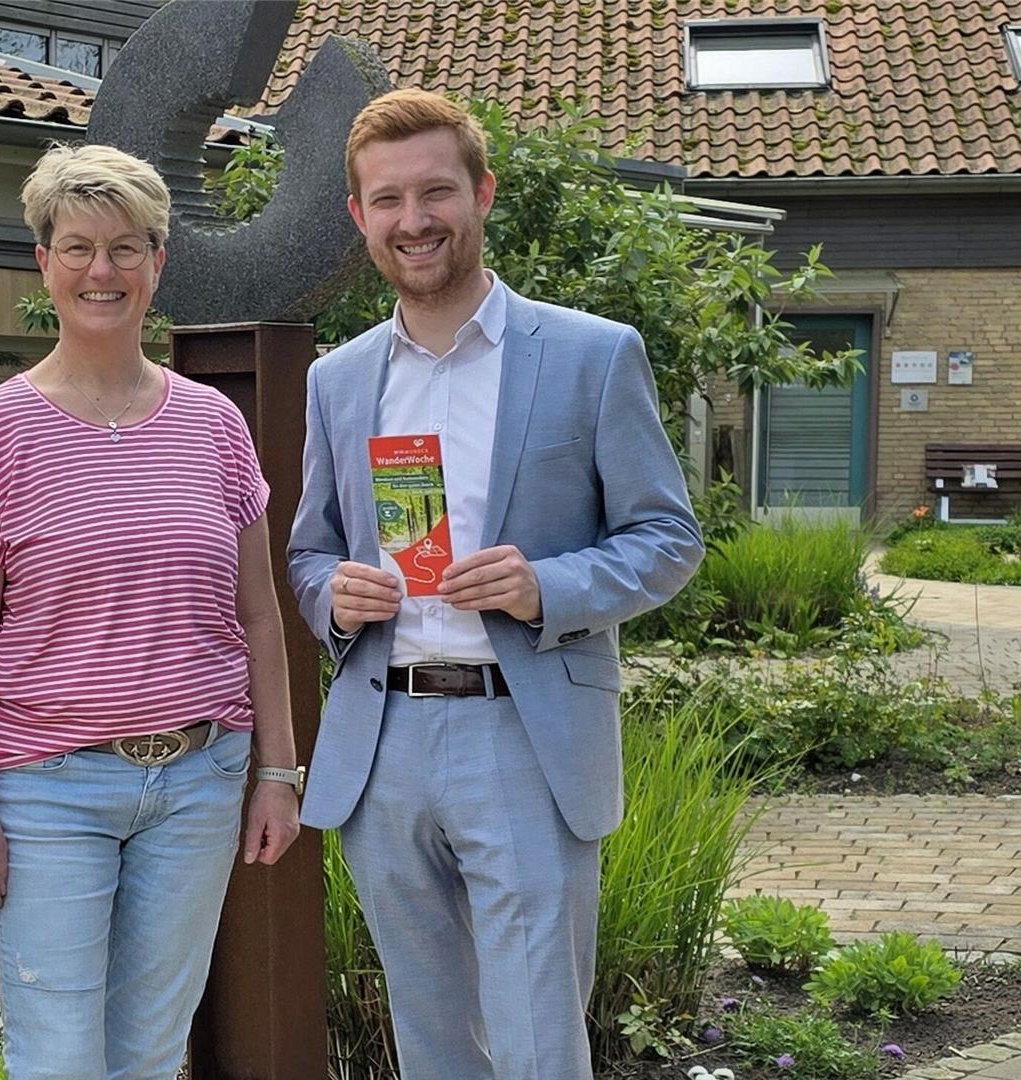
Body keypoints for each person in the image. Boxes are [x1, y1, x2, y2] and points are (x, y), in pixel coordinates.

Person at [287, 88, 704, 1079]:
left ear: (483, 194)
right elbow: (308, 551)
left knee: (534, 1039)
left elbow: (669, 536)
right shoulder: (339, 380)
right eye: (387, 200)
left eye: (437, 192)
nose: (414, 220)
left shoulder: (591, 356)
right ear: (359, 217)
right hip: (383, 741)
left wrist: (544, 586)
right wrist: (330, 599)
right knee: (429, 1041)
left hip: (522, 736)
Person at [0, 143, 302, 1080]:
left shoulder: (213, 423)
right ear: (43, 263)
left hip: (199, 782)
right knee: (57, 1059)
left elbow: (260, 616)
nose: (104, 270)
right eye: (79, 246)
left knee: (149, 1054)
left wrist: (278, 772)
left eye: (128, 247)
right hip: (51, 791)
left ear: (158, 263)